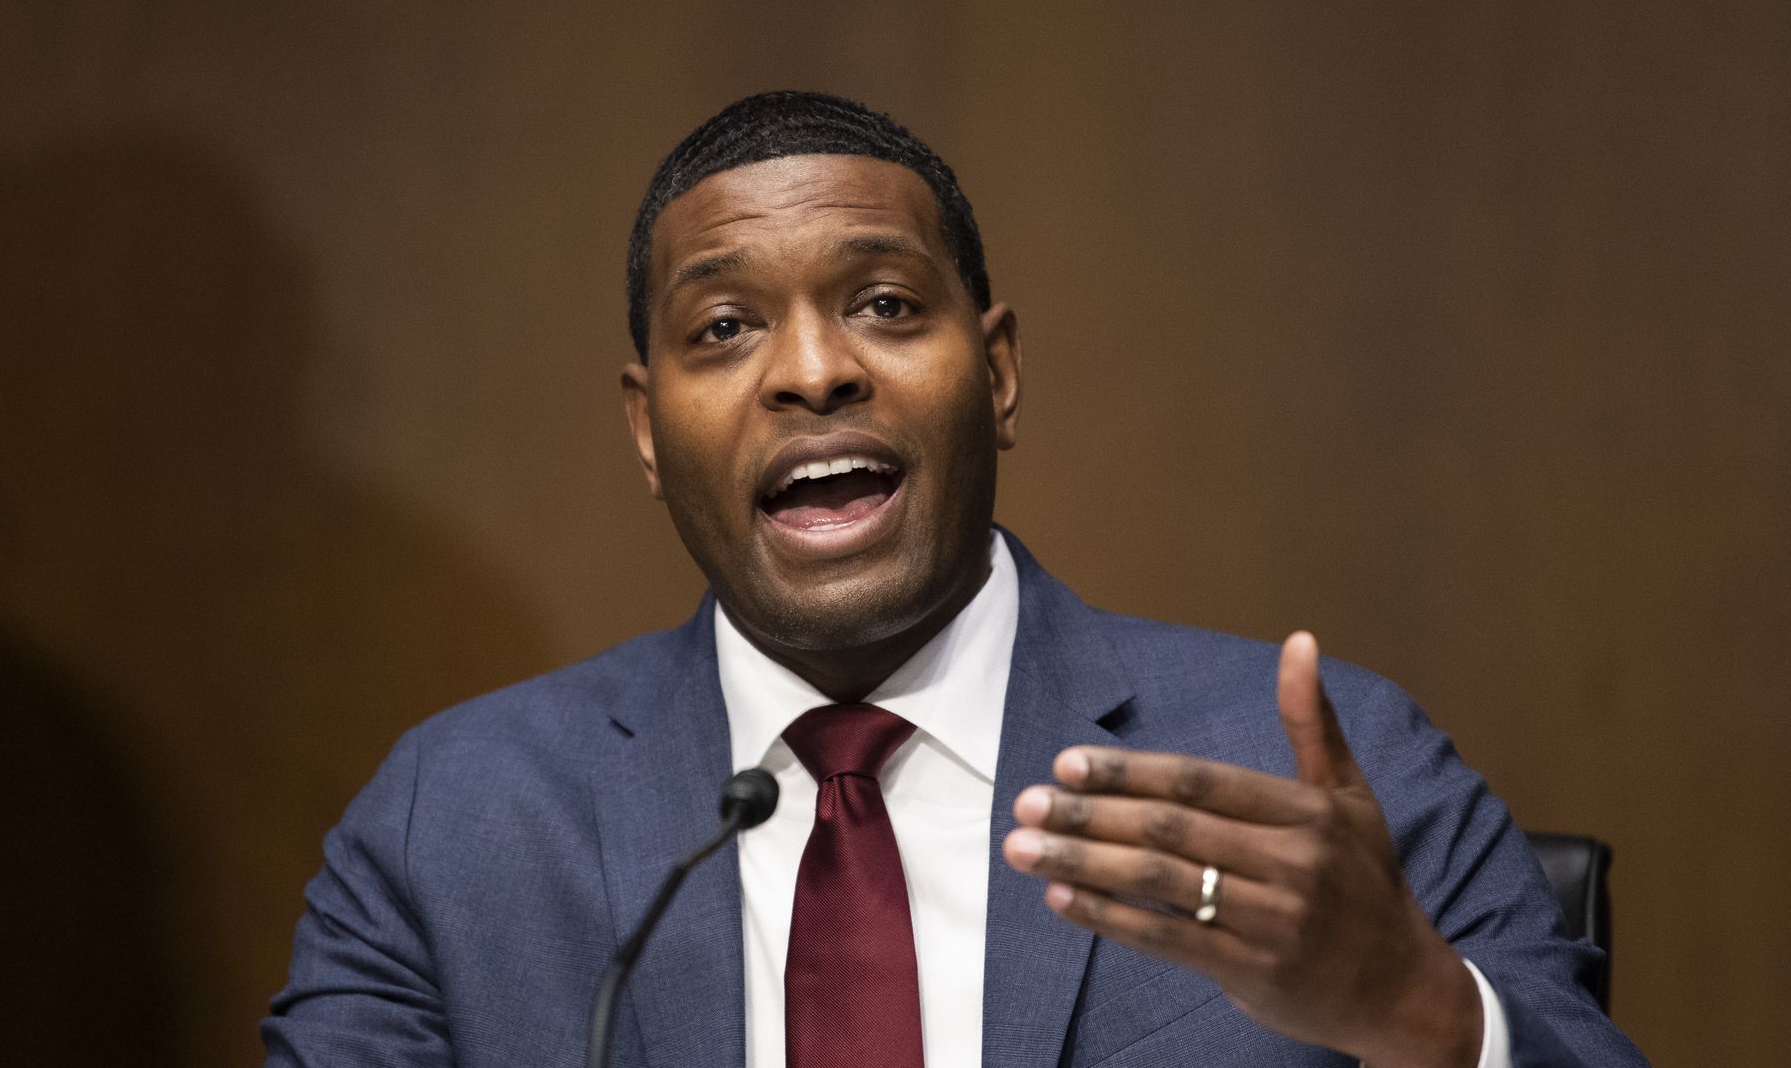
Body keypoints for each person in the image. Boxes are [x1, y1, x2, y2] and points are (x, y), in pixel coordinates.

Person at [263, 91, 1646, 1067]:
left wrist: (1425, 1020)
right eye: (727, 326)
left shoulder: (1315, 768)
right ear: (646, 426)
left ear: (994, 373)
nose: (812, 371)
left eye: (883, 304)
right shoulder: (454, 828)